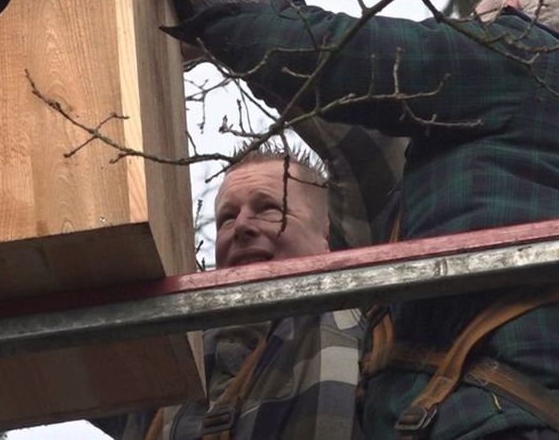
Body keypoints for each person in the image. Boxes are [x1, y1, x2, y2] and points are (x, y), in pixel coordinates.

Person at [160, 0, 559, 440]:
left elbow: (329, 58)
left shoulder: (526, 54)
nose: (469, 36)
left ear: (513, 11)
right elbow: (346, 117)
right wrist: (239, 29)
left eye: (476, 26)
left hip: (509, 418)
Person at [97, 144, 379, 440]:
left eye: (268, 208)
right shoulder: (176, 364)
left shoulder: (370, 320)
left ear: (326, 235)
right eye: (227, 218)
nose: (241, 225)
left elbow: (365, 149)